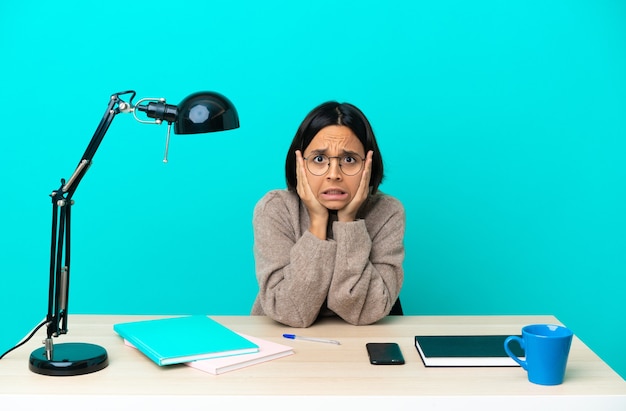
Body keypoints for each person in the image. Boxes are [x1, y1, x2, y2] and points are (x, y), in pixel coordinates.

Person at [251, 101, 405, 327]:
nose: (334, 174)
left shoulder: (387, 212)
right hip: (282, 343)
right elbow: (289, 312)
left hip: (362, 343)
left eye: (349, 160)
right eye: (319, 159)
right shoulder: (275, 208)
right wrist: (317, 223)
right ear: (299, 165)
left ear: (368, 166)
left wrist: (348, 223)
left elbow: (365, 312)